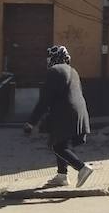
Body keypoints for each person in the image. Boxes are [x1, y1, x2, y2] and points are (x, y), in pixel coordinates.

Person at [24, 45, 94, 187]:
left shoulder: (54, 71)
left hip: (65, 113)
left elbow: (45, 100)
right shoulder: (73, 71)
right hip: (80, 112)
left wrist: (31, 122)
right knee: (60, 142)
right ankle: (62, 176)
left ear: (53, 58)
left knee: (57, 147)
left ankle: (82, 167)